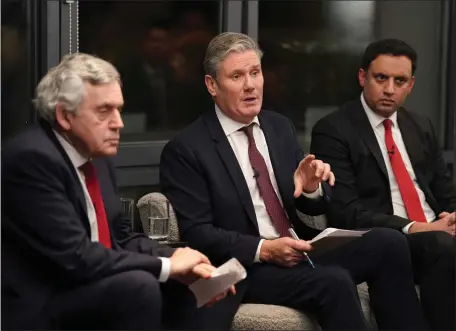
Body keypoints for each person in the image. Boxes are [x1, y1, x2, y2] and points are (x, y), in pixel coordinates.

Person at [160, 32, 428, 330]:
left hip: (298, 247)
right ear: (212, 85)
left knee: (389, 242)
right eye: (237, 76)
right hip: (243, 265)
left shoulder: (278, 127)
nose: (250, 85)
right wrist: (264, 248)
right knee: (334, 281)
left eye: (255, 73)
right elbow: (199, 234)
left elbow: (307, 204)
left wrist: (312, 189)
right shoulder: (187, 149)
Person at [1, 53, 233, 330]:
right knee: (139, 286)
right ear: (64, 115)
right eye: (104, 111)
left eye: (119, 110)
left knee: (197, 280)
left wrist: (177, 258)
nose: (118, 123)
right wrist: (167, 266)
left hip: (91, 283)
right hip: (45, 299)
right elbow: (77, 257)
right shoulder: (32, 160)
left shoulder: (97, 157)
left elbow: (120, 237)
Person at [310, 38, 455, 330]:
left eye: (399, 81)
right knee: (443, 244)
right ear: (363, 77)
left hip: (435, 232)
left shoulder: (421, 126)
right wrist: (421, 228)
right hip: (393, 240)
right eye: (381, 78)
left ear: (411, 85)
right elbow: (346, 212)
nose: (390, 89)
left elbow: (445, 192)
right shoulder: (334, 129)